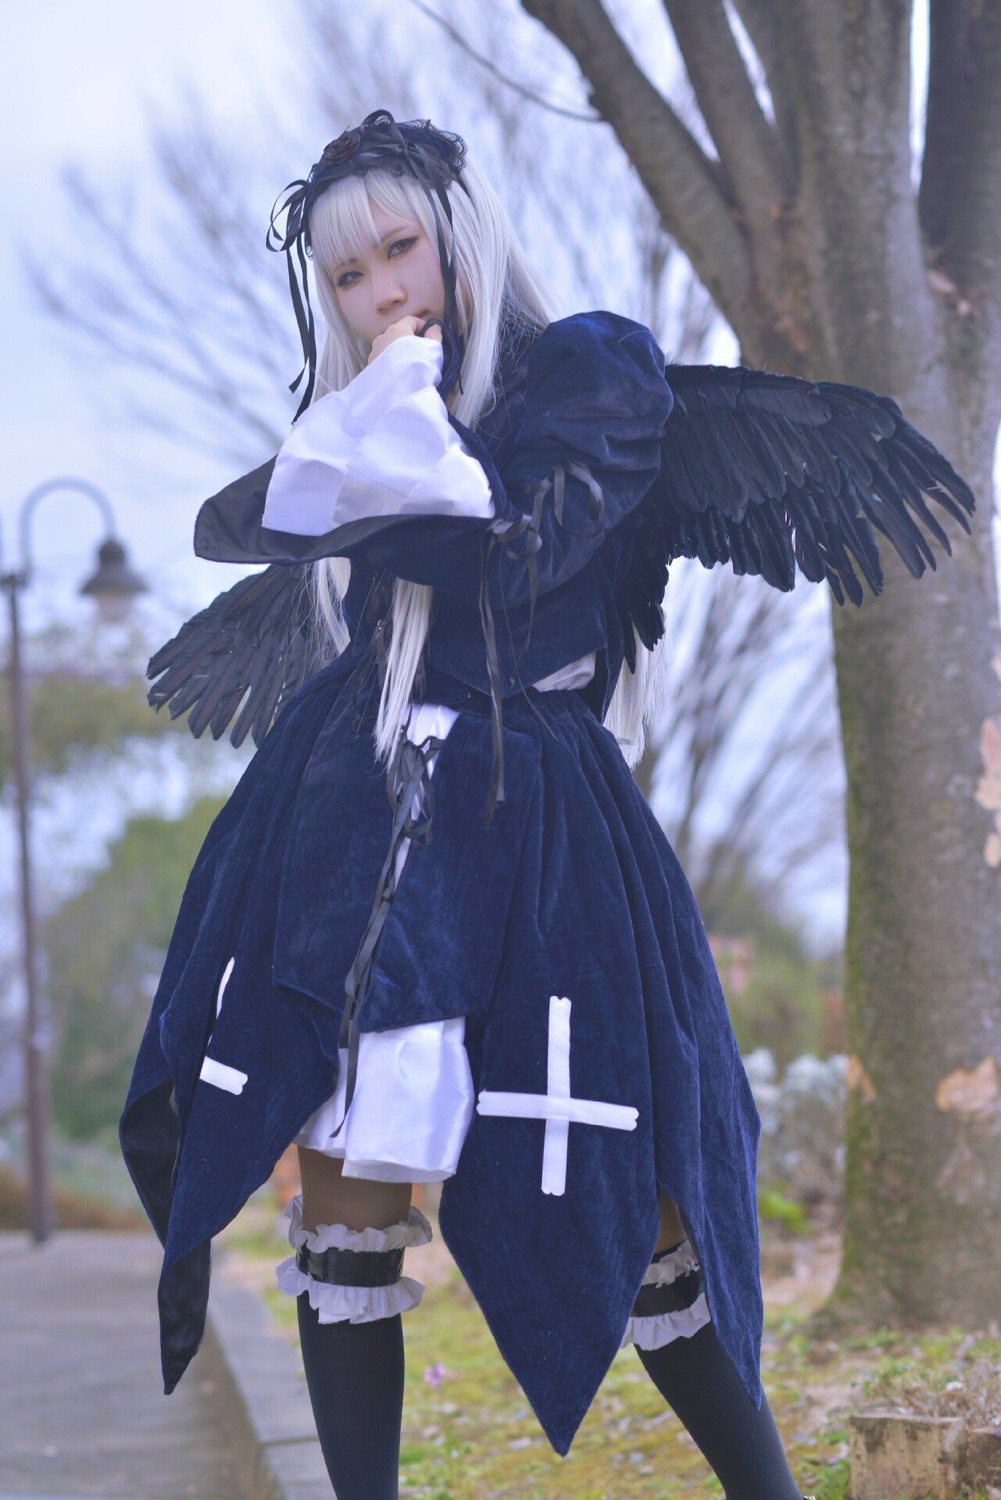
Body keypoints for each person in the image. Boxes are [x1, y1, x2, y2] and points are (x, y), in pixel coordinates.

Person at [121, 111, 973, 1500]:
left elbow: (522, 549)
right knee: (342, 1194)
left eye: (400, 251)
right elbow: (328, 569)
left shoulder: (585, 372)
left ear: (458, 241)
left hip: (539, 825)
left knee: (630, 1208)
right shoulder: (355, 425)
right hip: (361, 816)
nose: (381, 293)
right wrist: (351, 452)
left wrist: (369, 463)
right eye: (347, 277)